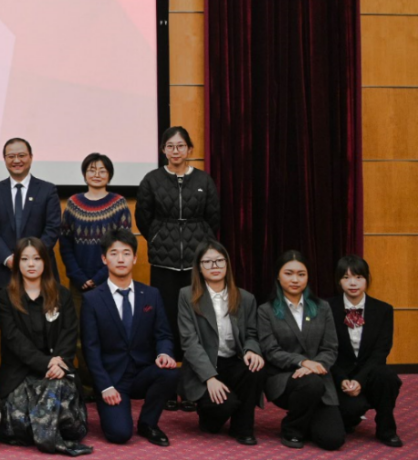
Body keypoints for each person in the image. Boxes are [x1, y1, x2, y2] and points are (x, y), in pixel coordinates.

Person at [135, 126, 220, 400]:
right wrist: (160, 237)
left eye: (180, 146)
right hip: (164, 263)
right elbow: (143, 218)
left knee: (197, 322)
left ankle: (194, 386)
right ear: (163, 150)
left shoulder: (203, 180)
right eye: (170, 146)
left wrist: (201, 240)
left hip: (196, 264)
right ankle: (168, 387)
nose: (175, 151)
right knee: (166, 322)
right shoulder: (152, 179)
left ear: (189, 149)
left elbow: (213, 217)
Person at [79, 228, 179, 446]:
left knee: (170, 373)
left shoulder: (151, 294)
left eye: (126, 253)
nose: (120, 259)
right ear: (104, 259)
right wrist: (104, 386)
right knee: (120, 434)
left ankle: (148, 423)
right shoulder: (92, 300)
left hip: (143, 372)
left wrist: (164, 353)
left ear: (134, 258)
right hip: (112, 379)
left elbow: (163, 334)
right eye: (114, 253)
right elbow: (90, 349)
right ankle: (115, 410)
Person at [0, 237, 91, 456]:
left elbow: (69, 333)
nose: (31, 264)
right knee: (18, 421)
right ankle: (50, 437)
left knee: (61, 399)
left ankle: (44, 434)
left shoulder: (62, 294)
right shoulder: (5, 297)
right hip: (20, 373)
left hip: (56, 371)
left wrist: (59, 363)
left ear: (46, 262)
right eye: (25, 259)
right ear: (17, 263)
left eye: (37, 258)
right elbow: (13, 339)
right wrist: (47, 362)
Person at [177, 240, 265, 445]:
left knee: (255, 368)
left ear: (227, 264)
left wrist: (252, 350)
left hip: (233, 361)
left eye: (219, 261)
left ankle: (242, 428)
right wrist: (209, 377)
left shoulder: (245, 298)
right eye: (207, 262)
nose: (214, 266)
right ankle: (208, 418)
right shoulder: (187, 296)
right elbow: (189, 342)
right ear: (199, 267)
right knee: (223, 406)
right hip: (204, 366)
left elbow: (252, 334)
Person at [257, 250, 345, 450]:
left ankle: (307, 420)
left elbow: (330, 347)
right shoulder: (266, 311)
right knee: (310, 384)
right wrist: (302, 362)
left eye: (301, 274)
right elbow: (271, 350)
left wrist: (314, 366)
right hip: (283, 378)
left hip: (319, 376)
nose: (295, 279)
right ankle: (292, 428)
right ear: (278, 276)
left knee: (333, 440)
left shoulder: (322, 307)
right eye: (288, 273)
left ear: (308, 277)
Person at [330, 255, 404, 447]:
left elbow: (381, 351)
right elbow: (327, 350)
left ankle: (386, 429)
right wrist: (342, 379)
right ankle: (350, 418)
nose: (353, 283)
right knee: (350, 411)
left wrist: (360, 380)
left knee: (387, 376)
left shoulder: (383, 310)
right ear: (338, 281)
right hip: (340, 375)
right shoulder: (327, 308)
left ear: (367, 279)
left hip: (370, 374)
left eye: (358, 277)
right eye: (346, 277)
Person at [0, 137, 60, 291]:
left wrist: (32, 258)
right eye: (11, 156)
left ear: (31, 157)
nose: (16, 160)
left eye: (21, 155)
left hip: (41, 271)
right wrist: (8, 258)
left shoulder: (47, 190)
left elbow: (53, 228)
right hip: (5, 272)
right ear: (4, 159)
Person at [59, 153, 131, 301]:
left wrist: (100, 277)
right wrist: (78, 276)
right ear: (84, 174)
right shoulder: (73, 204)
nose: (97, 175)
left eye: (102, 171)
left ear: (109, 175)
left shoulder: (119, 204)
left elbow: (124, 245)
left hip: (112, 280)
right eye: (91, 170)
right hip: (79, 282)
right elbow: (65, 244)